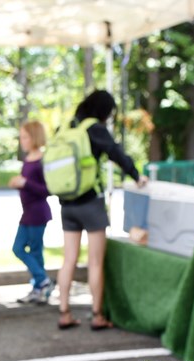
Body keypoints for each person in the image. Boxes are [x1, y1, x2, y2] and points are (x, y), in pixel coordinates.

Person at [55, 90, 148, 331]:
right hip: (90, 204)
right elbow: (116, 153)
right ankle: (97, 315)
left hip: (67, 203)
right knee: (95, 262)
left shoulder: (66, 128)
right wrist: (137, 176)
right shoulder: (94, 129)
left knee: (69, 260)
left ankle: (64, 312)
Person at [8, 120, 54, 304]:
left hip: (38, 212)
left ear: (34, 137)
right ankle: (40, 286)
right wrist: (17, 184)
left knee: (28, 249)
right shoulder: (27, 159)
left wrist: (25, 183)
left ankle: (42, 281)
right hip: (27, 212)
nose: (22, 140)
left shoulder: (43, 160)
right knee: (23, 248)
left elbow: (47, 189)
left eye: (25, 137)